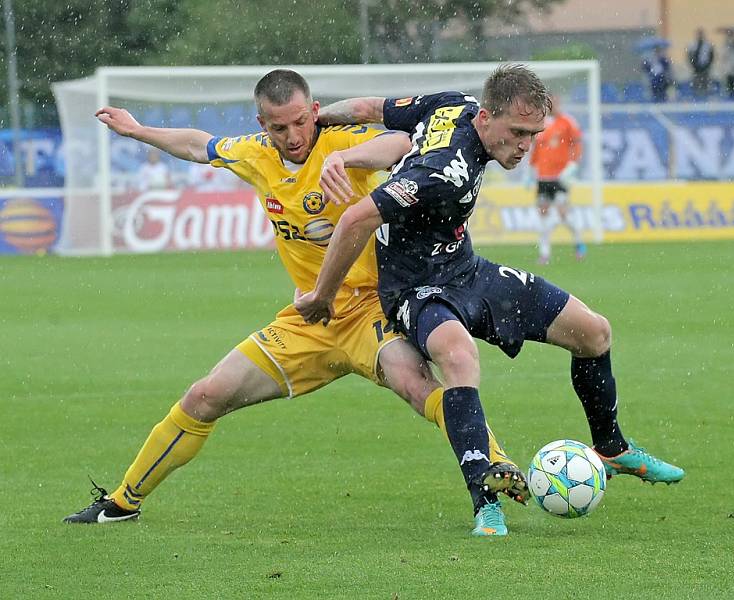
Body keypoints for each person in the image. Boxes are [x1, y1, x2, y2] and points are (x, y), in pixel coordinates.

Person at [63, 69, 529, 527]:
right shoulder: (256, 154)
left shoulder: (338, 140)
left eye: (301, 121)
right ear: (263, 125)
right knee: (205, 395)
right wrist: (139, 131)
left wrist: (345, 160)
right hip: (309, 319)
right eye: (279, 127)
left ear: (315, 111)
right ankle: (123, 501)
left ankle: (494, 464)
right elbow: (198, 146)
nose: (293, 136)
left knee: (417, 386)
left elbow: (402, 144)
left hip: (373, 308)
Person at [295, 63, 685, 537]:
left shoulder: (452, 103)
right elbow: (357, 219)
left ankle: (611, 447)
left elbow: (368, 108)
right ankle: (486, 503)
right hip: (414, 289)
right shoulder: (443, 172)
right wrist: (322, 295)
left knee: (594, 332)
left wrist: (319, 124)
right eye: (518, 132)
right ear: (486, 119)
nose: (526, 145)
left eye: (534, 133)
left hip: (466, 270)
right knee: (459, 354)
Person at [527, 95, 585, 265]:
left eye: (555, 102)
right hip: (543, 177)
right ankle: (545, 253)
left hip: (560, 176)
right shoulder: (539, 124)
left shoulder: (567, 122)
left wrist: (573, 164)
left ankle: (578, 242)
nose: (553, 105)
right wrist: (531, 170)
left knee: (562, 211)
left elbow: (577, 144)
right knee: (543, 212)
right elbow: (535, 149)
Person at [686, 28, 714, 98]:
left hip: (705, 69)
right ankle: (696, 98)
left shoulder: (707, 45)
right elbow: (689, 57)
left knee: (705, 86)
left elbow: (711, 57)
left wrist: (706, 66)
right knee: (696, 86)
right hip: (695, 70)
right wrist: (695, 66)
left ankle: (705, 99)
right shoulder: (692, 45)